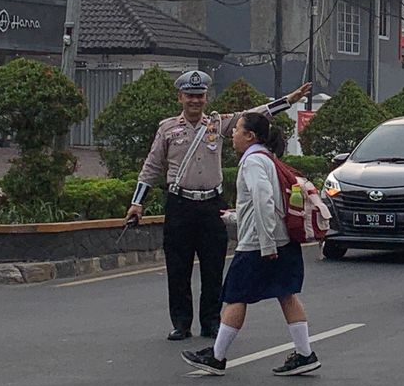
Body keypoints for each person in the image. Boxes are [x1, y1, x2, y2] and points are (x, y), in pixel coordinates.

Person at [128, 70, 310, 341]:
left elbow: (252, 116)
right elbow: (152, 166)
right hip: (180, 204)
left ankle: (211, 322)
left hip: (211, 205)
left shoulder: (217, 123)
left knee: (213, 267)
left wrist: (288, 101)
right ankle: (181, 323)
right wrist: (137, 203)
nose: (195, 101)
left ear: (206, 98)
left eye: (200, 96)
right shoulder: (167, 128)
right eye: (190, 95)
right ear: (180, 97)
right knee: (178, 267)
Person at [181, 111, 320, 378]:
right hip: (280, 239)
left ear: (250, 136)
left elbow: (263, 200)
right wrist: (236, 217)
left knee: (236, 295)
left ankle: (217, 357)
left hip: (259, 243)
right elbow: (263, 203)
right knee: (286, 294)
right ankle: (305, 354)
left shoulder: (253, 161)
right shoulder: (267, 158)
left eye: (237, 130)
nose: (232, 134)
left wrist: (266, 244)